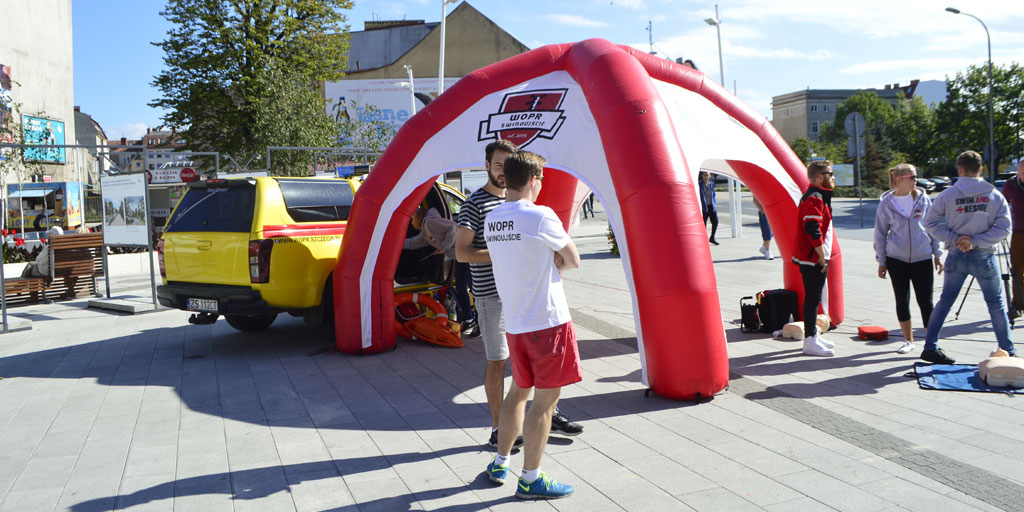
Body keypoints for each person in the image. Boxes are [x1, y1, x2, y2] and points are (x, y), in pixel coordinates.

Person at [456, 140, 584, 449]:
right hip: (492, 295)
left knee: (529, 372)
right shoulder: (476, 204)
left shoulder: (512, 206)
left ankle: (547, 415)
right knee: (498, 362)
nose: (503, 171)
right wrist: (512, 251)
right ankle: (500, 429)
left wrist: (519, 249)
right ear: (487, 166)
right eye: (498, 165)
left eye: (507, 165)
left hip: (521, 296)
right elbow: (461, 253)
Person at [483, 150, 581, 499]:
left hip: (516, 322)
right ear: (534, 180)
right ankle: (531, 478)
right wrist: (554, 266)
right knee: (545, 402)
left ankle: (500, 461)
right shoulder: (540, 215)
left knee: (518, 393)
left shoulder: (492, 218)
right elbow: (573, 259)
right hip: (547, 320)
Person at [921, 150, 1015, 363]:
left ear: (960, 169)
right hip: (983, 255)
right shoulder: (993, 194)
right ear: (981, 169)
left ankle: (930, 346)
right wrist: (976, 241)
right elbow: (1004, 227)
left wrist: (954, 238)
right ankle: (1007, 349)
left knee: (946, 301)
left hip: (957, 254)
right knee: (995, 304)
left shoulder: (948, 194)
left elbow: (929, 223)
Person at [874, 164, 943, 354]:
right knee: (902, 300)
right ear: (899, 179)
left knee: (926, 302)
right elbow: (880, 234)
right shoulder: (887, 203)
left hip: (922, 257)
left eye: (916, 176)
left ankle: (931, 344)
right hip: (896, 259)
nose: (916, 180)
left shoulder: (923, 199)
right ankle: (908, 341)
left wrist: (937, 254)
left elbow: (932, 227)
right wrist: (881, 261)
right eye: (912, 177)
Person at [404, 207, 474, 333]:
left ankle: (474, 320)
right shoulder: (425, 231)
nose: (411, 222)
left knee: (470, 287)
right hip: (460, 256)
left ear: (419, 217)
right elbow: (412, 243)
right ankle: (470, 320)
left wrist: (444, 247)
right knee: (462, 287)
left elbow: (452, 227)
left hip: (466, 252)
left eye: (413, 218)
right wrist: (396, 243)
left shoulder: (430, 222)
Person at [792, 160, 836, 357]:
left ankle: (813, 335)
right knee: (812, 299)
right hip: (812, 258)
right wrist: (821, 256)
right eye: (830, 174)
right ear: (819, 177)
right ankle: (810, 340)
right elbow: (812, 228)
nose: (833, 178)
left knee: (814, 298)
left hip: (814, 256)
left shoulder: (818, 195)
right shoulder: (814, 198)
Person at [1001, 158, 1024, 317]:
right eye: (1021, 172)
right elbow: (1001, 205)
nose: (1023, 175)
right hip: (1018, 232)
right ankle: (1018, 305)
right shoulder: (1011, 185)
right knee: (1016, 270)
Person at [699, 171, 719, 245]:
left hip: (711, 205)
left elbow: (713, 194)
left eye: (707, 175)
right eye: (705, 175)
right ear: (702, 176)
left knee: (715, 221)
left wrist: (714, 204)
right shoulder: (699, 184)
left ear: (709, 176)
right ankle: (703, 239)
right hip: (704, 206)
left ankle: (712, 237)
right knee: (703, 223)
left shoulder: (711, 183)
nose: (706, 177)